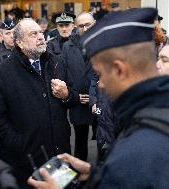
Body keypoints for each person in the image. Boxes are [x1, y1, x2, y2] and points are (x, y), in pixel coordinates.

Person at [28, 8, 169, 189]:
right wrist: (95, 173)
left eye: (100, 74)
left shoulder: (136, 149)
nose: (101, 85)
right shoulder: (157, 110)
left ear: (119, 69)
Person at [0, 18, 79, 188]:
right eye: (33, 34)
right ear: (19, 42)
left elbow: (74, 97)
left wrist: (66, 95)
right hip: (23, 162)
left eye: (41, 32)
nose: (41, 37)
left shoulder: (57, 63)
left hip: (59, 156)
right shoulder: (0, 74)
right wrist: (22, 143)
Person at [62, 12, 97, 161]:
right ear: (76, 27)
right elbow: (65, 73)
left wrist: (95, 97)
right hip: (79, 102)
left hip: (99, 101)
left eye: (87, 25)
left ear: (95, 23)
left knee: (103, 140)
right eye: (80, 26)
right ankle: (80, 174)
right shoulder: (67, 46)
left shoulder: (105, 44)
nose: (84, 28)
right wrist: (74, 96)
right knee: (80, 141)